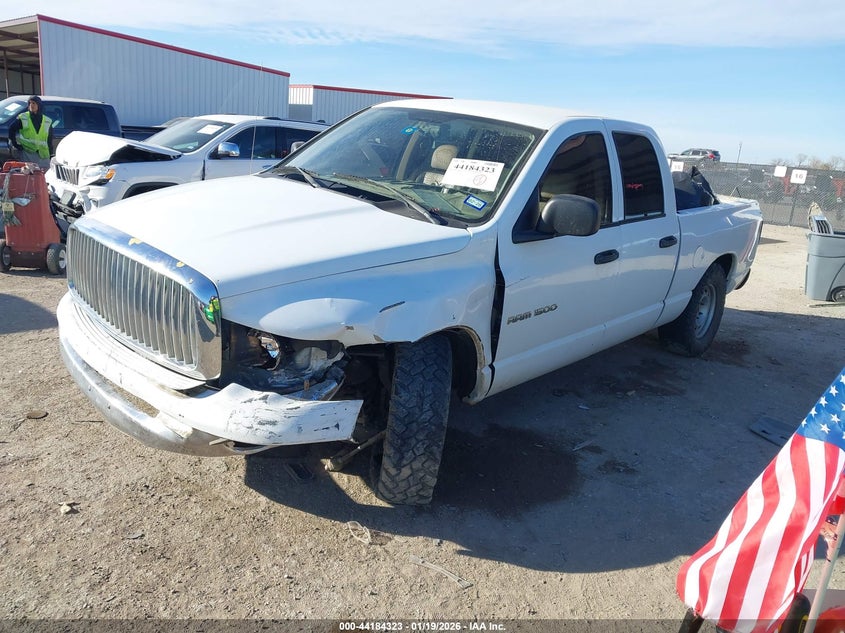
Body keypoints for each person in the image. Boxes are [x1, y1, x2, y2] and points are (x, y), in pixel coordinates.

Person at [9, 95, 54, 169]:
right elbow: (11, 129)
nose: (31, 105)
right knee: (29, 177)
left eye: (34, 103)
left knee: (44, 178)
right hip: (28, 154)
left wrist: (50, 153)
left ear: (39, 105)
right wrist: (16, 145)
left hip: (43, 155)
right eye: (30, 103)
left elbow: (49, 138)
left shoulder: (47, 121)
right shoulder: (24, 118)